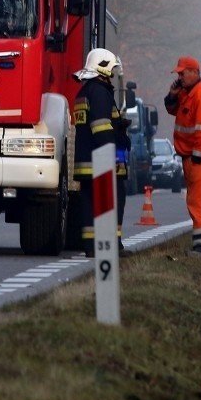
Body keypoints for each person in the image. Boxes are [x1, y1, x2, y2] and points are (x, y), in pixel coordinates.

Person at [164, 56, 201, 256]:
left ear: (194, 72)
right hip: (190, 156)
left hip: (197, 157)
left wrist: (197, 157)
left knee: (198, 200)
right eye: (178, 73)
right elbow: (172, 110)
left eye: (182, 72)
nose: (179, 76)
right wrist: (172, 95)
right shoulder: (188, 93)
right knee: (195, 199)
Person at [71, 47, 121, 257]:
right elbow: (101, 127)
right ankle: (109, 247)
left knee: (89, 202)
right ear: (103, 67)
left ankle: (91, 247)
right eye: (112, 68)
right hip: (100, 158)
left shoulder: (84, 91)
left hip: (85, 158)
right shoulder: (100, 92)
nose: (114, 72)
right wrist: (112, 156)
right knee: (108, 202)